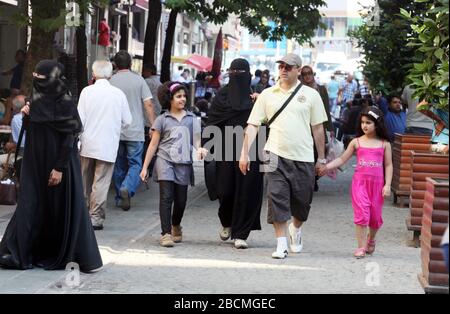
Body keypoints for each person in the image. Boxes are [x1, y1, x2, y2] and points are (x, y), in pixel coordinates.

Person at [0, 60, 103, 271]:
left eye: (41, 78)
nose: (37, 81)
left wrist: (59, 167)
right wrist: (27, 115)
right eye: (35, 77)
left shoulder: (65, 103)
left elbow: (69, 137)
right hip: (34, 161)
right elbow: (32, 129)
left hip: (59, 163)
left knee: (59, 207)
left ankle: (60, 253)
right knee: (29, 204)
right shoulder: (35, 99)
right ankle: (21, 254)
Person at [239, 53, 328, 259]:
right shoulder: (267, 94)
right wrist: (244, 154)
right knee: (276, 197)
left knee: (302, 203)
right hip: (274, 154)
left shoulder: (311, 95)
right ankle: (281, 244)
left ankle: (295, 229)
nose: (283, 69)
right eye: (281, 66)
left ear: (298, 70)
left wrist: (321, 158)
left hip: (304, 156)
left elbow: (318, 129)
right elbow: (252, 126)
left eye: (289, 66)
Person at [319, 106, 393, 258]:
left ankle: (371, 239)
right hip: (360, 184)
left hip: (377, 186)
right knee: (362, 215)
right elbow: (342, 159)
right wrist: (326, 167)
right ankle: (361, 247)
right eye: (362, 122)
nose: (364, 125)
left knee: (375, 218)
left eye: (368, 123)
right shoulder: (356, 142)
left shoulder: (385, 144)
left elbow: (388, 165)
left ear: (377, 124)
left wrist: (388, 185)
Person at [205, 58, 264, 249]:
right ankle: (227, 221)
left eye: (241, 73)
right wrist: (206, 146)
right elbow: (212, 122)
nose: (237, 77)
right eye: (234, 73)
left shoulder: (257, 98)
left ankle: (241, 234)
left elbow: (266, 123)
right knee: (225, 190)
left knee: (247, 191)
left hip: (252, 149)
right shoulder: (221, 97)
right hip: (225, 149)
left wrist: (259, 103)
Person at [140, 82, 205, 247]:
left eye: (184, 96)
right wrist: (145, 167)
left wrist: (200, 149)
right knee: (166, 197)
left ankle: (176, 224)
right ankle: (166, 233)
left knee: (181, 201)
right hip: (164, 161)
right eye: (178, 96)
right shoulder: (162, 119)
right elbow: (153, 145)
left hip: (183, 163)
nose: (182, 99)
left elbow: (196, 141)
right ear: (170, 99)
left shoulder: (192, 119)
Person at [78, 60, 132, 230]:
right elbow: (128, 121)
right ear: (110, 75)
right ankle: (95, 217)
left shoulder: (86, 92)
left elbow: (79, 120)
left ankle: (81, 214)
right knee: (101, 182)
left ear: (93, 74)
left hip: (87, 143)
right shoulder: (118, 94)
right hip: (108, 144)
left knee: (84, 180)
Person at [109, 50, 157, 211]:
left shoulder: (110, 81)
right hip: (135, 130)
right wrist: (153, 125)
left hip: (115, 130)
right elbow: (148, 104)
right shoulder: (139, 80)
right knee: (136, 163)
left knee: (118, 164)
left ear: (115, 64)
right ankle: (127, 188)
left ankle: (119, 197)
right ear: (130, 64)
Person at [300, 65, 333, 192]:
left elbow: (326, 109)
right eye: (304, 74)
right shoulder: (299, 89)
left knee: (317, 153)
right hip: (303, 127)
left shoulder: (321, 89)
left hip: (319, 126)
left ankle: (314, 179)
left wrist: (330, 129)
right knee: (306, 154)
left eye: (309, 73)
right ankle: (308, 179)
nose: (307, 76)